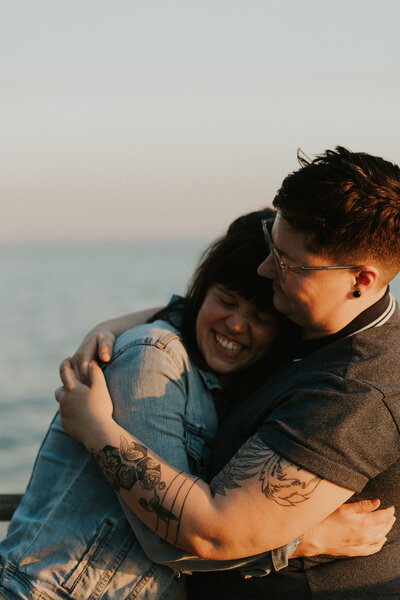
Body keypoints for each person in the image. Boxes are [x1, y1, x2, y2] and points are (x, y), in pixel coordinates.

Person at [57, 146, 400, 599]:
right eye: (270, 245)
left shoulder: (355, 392)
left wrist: (95, 428)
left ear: (360, 281)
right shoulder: (308, 320)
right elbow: (196, 309)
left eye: (285, 264)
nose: (264, 269)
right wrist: (110, 330)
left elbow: (215, 534)